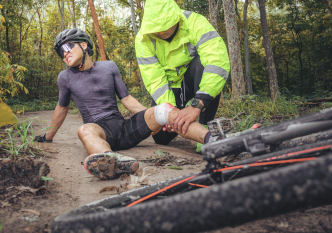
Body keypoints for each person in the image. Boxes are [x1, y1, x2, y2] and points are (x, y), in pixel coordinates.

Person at [35, 28, 217, 180]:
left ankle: (214, 140)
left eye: (67, 46)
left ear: (84, 45)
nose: (64, 53)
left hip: (124, 128)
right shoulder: (65, 77)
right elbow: (62, 107)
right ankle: (112, 162)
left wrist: (155, 118)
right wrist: (48, 136)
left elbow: (126, 99)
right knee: (84, 130)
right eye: (61, 52)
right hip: (101, 132)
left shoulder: (109, 67)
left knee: (164, 109)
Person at [135, 0, 230, 147]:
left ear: (176, 17)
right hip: (169, 86)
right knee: (161, 137)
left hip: (193, 82)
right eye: (156, 28)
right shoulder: (142, 40)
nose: (161, 32)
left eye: (165, 26)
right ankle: (184, 122)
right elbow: (154, 79)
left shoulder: (195, 22)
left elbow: (217, 61)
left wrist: (197, 105)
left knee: (203, 64)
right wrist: (171, 113)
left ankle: (206, 130)